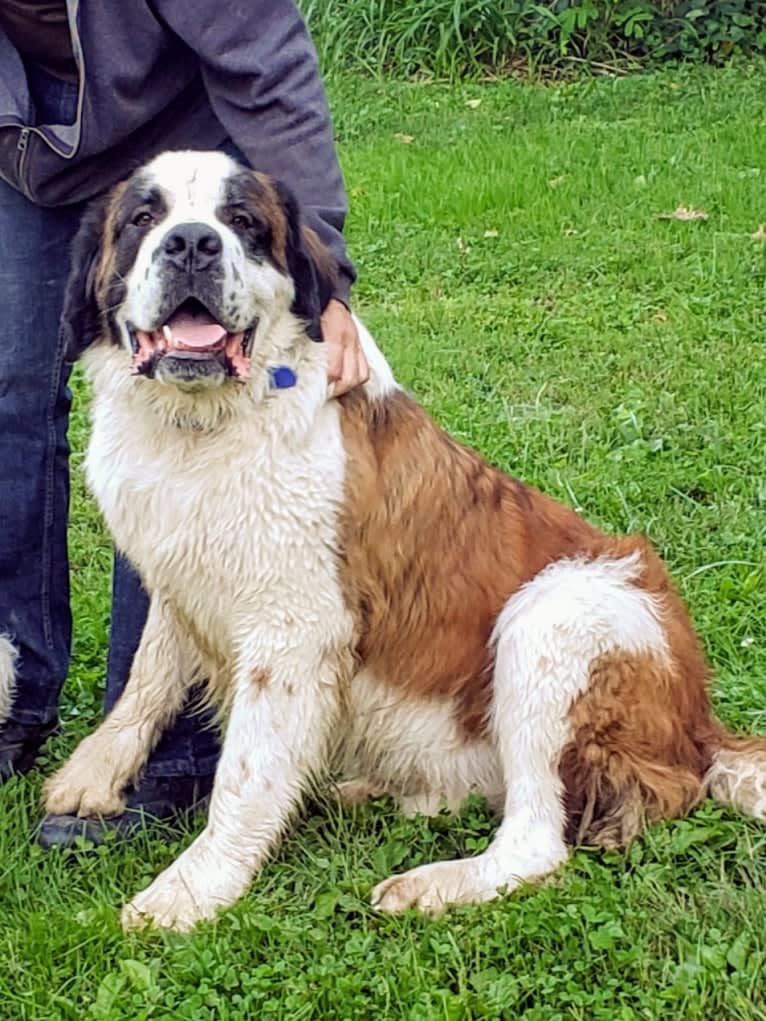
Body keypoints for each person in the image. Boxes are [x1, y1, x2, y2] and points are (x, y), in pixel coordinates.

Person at [0, 1, 369, 845]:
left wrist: (328, 269)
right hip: (14, 147)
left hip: (181, 133)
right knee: (8, 387)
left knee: (202, 434)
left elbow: (269, 66)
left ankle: (169, 749)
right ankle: (10, 691)